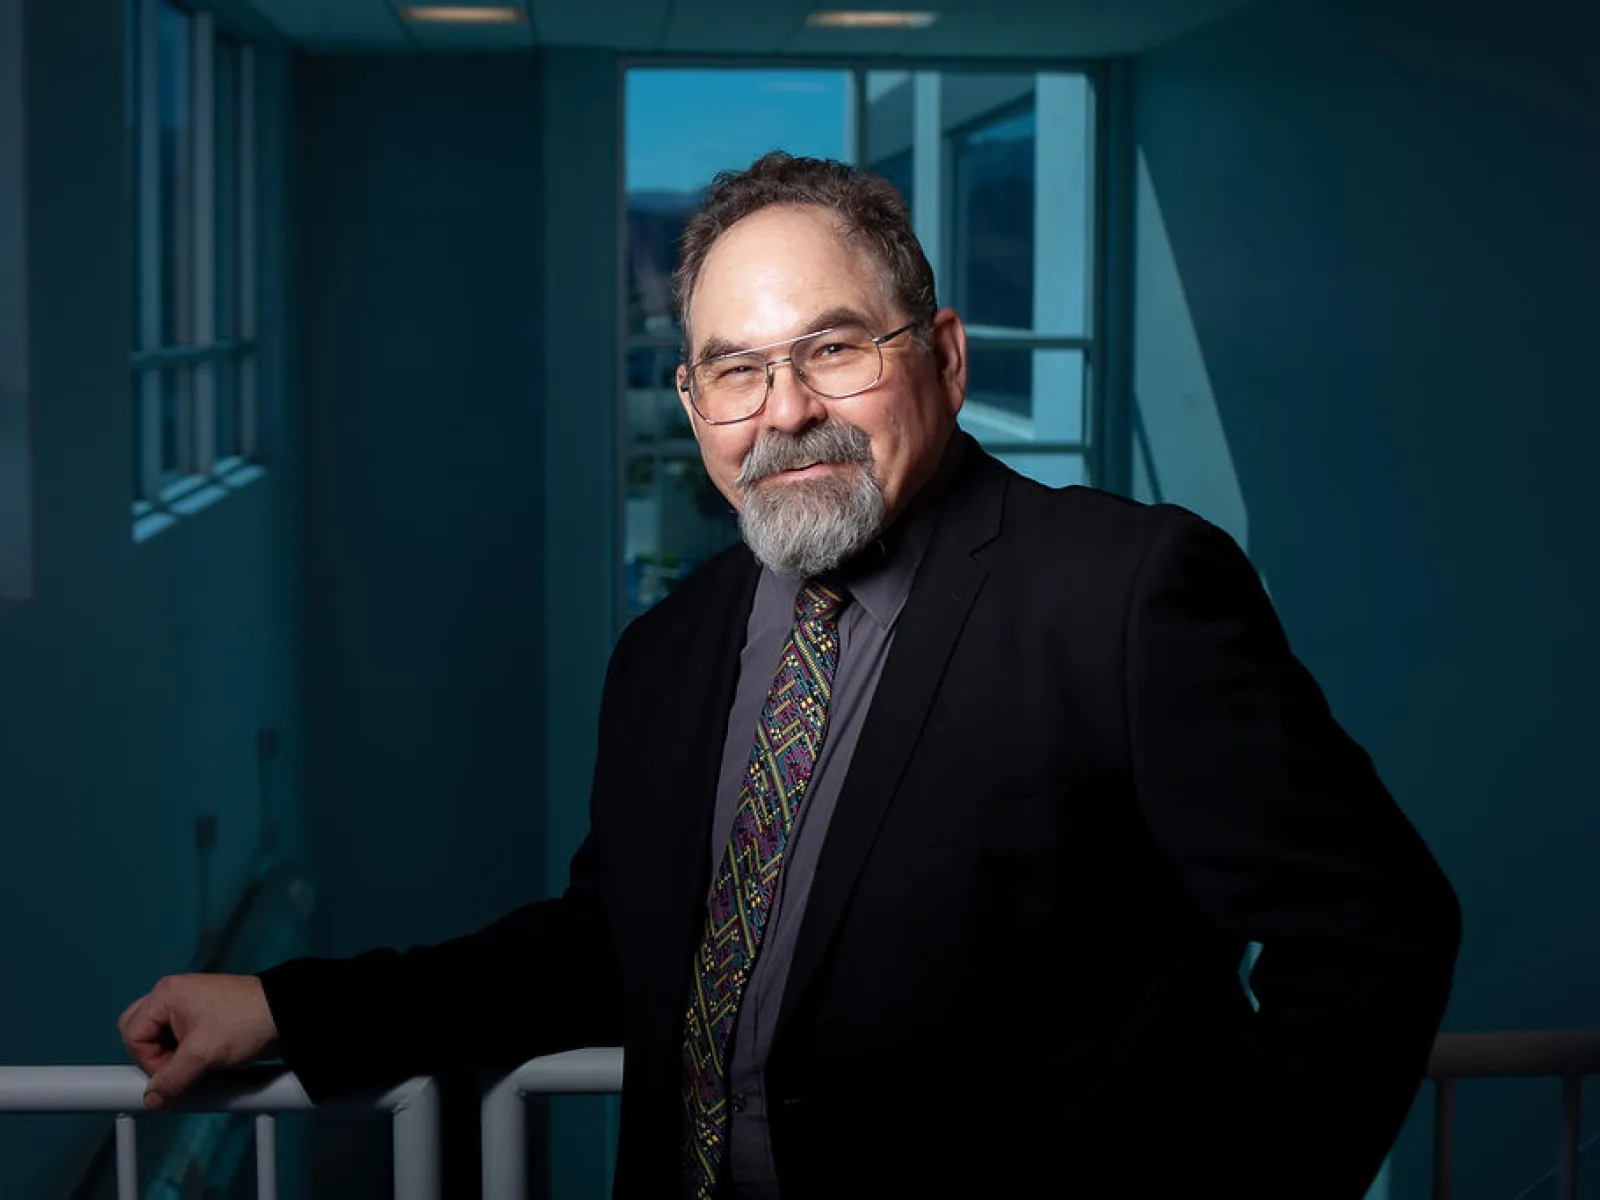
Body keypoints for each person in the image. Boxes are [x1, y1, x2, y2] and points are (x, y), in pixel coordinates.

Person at [119, 151, 1460, 1199]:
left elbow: (1373, 935)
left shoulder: (1123, 594)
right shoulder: (669, 653)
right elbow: (612, 946)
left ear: (939, 356)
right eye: (737, 369)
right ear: (694, 407)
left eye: (833, 347)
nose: (788, 409)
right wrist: (288, 1004)